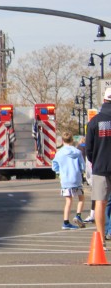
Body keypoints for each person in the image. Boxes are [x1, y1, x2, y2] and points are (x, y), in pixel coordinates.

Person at [85, 86, 111, 245]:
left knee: (100, 202)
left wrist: (95, 160)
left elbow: (88, 149)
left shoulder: (94, 121)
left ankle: (101, 240)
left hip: (100, 166)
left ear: (104, 99)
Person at [52, 132, 87, 230]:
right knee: (81, 198)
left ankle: (66, 222)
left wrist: (59, 172)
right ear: (72, 140)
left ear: (62, 141)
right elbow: (82, 166)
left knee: (68, 201)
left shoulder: (59, 153)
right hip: (76, 178)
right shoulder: (77, 152)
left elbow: (54, 166)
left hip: (65, 179)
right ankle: (78, 215)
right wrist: (81, 171)